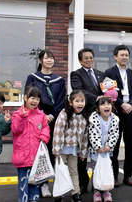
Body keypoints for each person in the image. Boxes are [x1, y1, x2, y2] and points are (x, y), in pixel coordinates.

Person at [25, 49, 66, 198]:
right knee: (38, 152)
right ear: (40, 61)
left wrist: (52, 115)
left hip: (54, 119)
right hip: (37, 118)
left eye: (52, 58)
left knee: (51, 152)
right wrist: (42, 114)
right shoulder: (33, 77)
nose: (50, 60)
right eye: (47, 58)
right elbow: (30, 98)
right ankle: (38, 182)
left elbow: (62, 99)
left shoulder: (59, 80)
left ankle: (47, 184)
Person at [70, 47, 106, 194]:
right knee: (82, 152)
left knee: (97, 150)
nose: (89, 60)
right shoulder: (76, 74)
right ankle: (83, 184)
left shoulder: (100, 74)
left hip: (100, 117)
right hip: (84, 116)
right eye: (86, 58)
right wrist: (97, 98)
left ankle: (99, 183)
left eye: (91, 57)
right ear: (80, 60)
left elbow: (106, 91)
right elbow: (78, 91)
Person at [105, 44, 132, 187]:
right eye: (122, 55)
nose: (125, 57)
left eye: (126, 55)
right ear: (115, 56)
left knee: (130, 145)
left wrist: (130, 104)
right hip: (117, 113)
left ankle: (128, 176)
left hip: (130, 113)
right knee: (115, 145)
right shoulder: (109, 72)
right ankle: (113, 177)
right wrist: (122, 104)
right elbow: (108, 92)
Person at [11, 86, 50, 202]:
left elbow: (45, 128)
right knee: (23, 183)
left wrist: (43, 137)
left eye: (38, 99)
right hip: (22, 157)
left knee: (35, 184)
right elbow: (15, 129)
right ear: (25, 98)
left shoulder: (41, 115)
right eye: (32, 98)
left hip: (36, 157)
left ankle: (34, 199)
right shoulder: (17, 114)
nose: (35, 101)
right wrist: (22, 117)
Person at [52, 90, 88, 202]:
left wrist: (83, 152)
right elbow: (58, 132)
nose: (80, 104)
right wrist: (57, 150)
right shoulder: (64, 115)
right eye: (77, 101)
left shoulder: (84, 117)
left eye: (82, 101)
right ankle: (59, 194)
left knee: (74, 171)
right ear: (70, 102)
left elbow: (84, 137)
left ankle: (75, 193)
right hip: (62, 150)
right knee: (60, 172)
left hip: (74, 150)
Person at [88, 97, 120, 202]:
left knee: (107, 170)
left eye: (108, 104)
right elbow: (92, 134)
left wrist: (109, 146)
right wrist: (98, 147)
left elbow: (115, 134)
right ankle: (96, 192)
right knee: (96, 171)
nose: (106, 106)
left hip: (107, 152)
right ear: (97, 109)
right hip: (96, 152)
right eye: (103, 104)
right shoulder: (94, 119)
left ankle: (107, 191)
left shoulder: (114, 119)